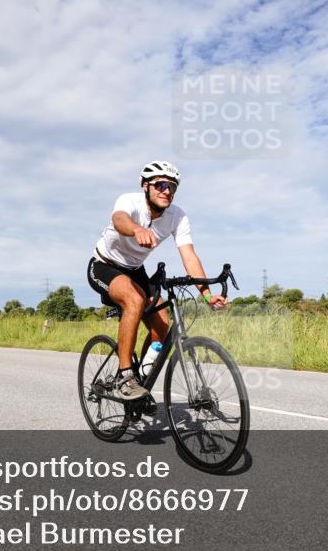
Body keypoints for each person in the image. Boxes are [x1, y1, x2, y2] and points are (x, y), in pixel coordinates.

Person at [87, 161, 227, 402]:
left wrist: (206, 294)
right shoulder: (129, 202)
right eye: (160, 184)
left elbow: (189, 256)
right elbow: (119, 219)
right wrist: (135, 230)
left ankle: (142, 377)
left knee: (162, 326)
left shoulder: (177, 216)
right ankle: (125, 377)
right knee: (134, 300)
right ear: (145, 186)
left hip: (135, 270)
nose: (166, 190)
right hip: (104, 266)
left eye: (172, 186)